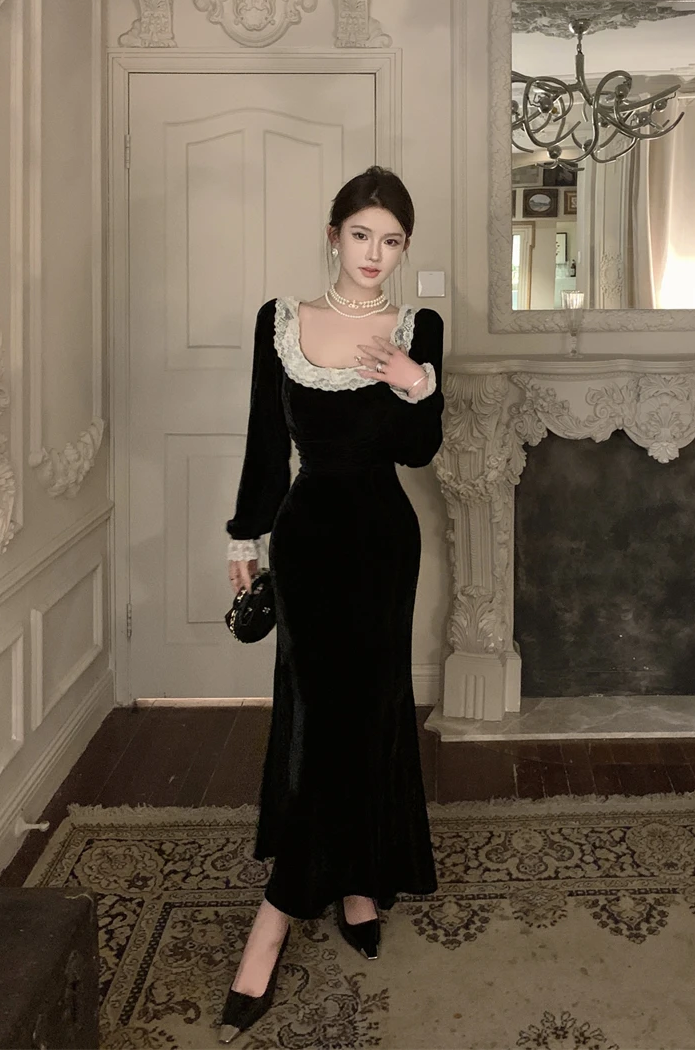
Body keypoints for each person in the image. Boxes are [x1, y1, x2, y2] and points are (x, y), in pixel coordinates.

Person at [219, 164, 445, 1042]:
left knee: (372, 708)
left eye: (392, 241)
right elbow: (263, 442)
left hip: (384, 544)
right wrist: (244, 538)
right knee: (322, 714)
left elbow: (418, 452)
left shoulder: (419, 328)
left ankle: (327, 895)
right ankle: (305, 901)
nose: (375, 254)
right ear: (334, 234)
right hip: (308, 541)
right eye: (361, 235)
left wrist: (415, 381)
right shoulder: (279, 322)